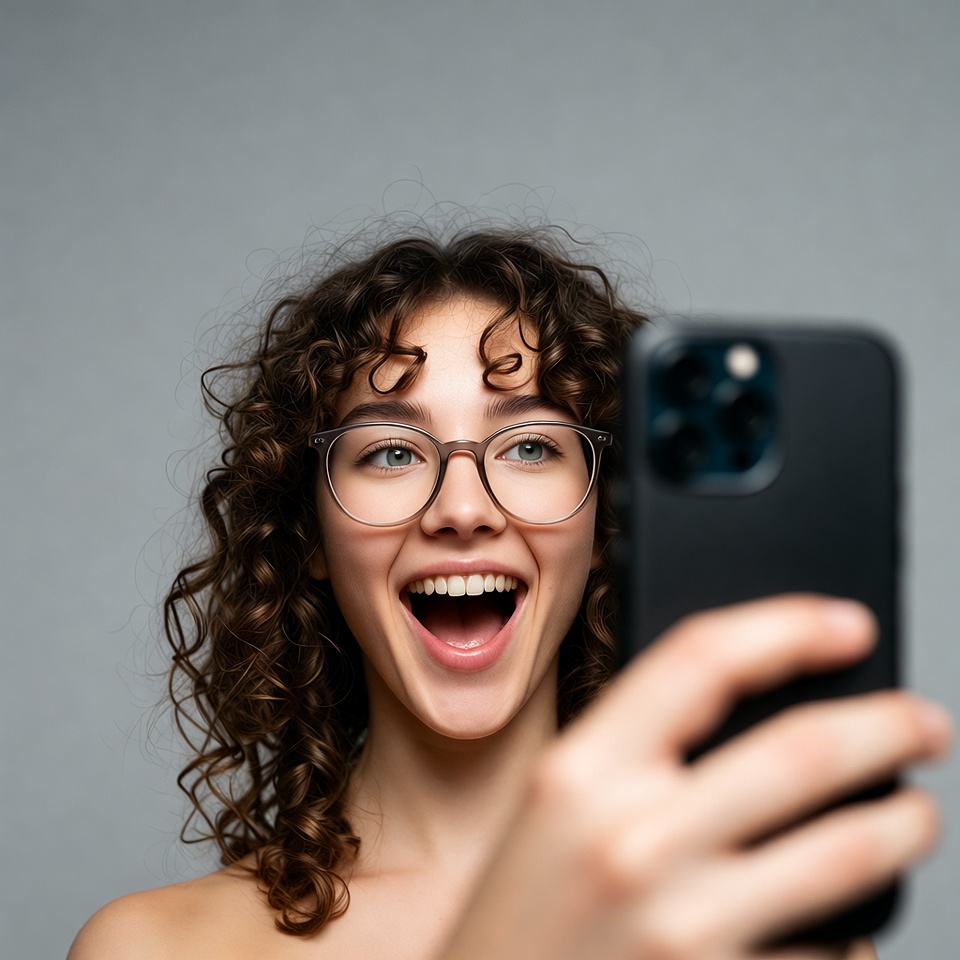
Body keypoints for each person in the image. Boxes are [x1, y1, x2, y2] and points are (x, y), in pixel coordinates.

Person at [69, 224, 951, 960]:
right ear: (312, 536)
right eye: (390, 451)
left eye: (530, 446)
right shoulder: (150, 947)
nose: (463, 509)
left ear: (605, 525)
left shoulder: (747, 924)